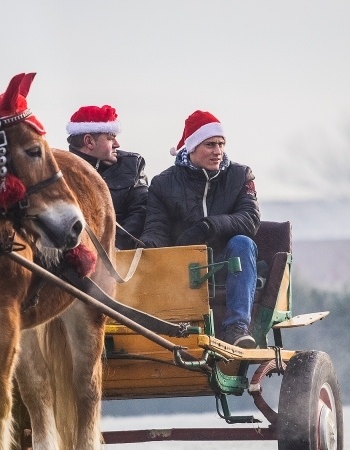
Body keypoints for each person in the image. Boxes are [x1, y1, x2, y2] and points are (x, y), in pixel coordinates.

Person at [140, 110, 260, 348]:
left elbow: (250, 219)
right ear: (192, 148)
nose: (218, 151)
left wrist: (208, 226)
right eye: (210, 145)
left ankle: (236, 328)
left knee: (243, 243)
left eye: (221, 144)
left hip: (228, 263)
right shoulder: (163, 184)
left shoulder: (240, 175)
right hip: (183, 264)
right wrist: (147, 245)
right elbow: (156, 228)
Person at [66, 105, 148, 249]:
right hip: (77, 253)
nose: (117, 144)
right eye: (111, 138)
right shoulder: (61, 170)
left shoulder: (133, 165)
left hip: (121, 253)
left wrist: (114, 247)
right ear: (89, 141)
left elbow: (139, 211)